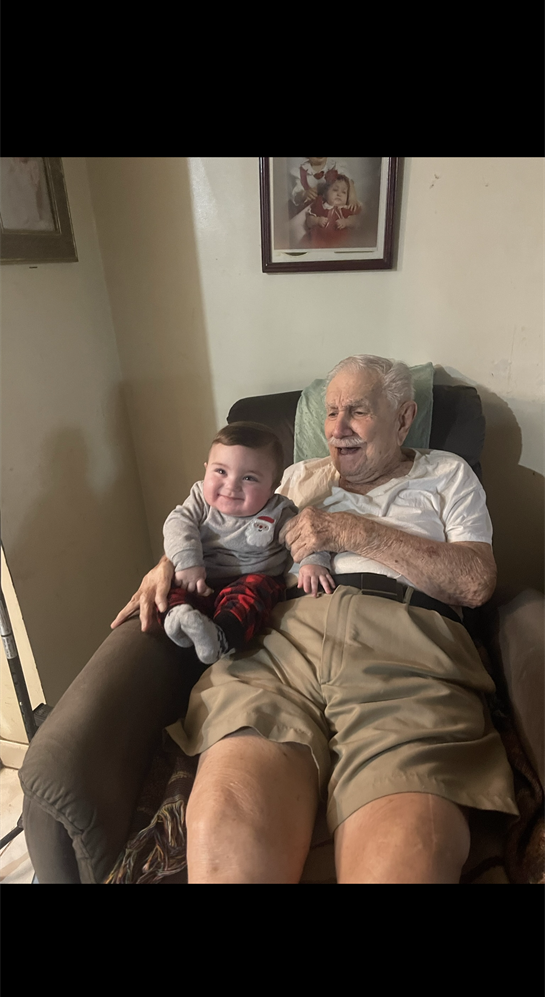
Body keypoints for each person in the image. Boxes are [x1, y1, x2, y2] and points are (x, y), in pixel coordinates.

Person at [112, 355, 518, 884]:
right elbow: (227, 530)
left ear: (403, 418)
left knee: (401, 855)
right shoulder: (299, 477)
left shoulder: (447, 474)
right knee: (226, 821)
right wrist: (167, 565)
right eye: (330, 412)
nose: (337, 429)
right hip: (280, 647)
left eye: (357, 411)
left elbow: (476, 582)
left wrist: (355, 532)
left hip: (409, 654)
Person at [159, 421, 334, 664]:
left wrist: (313, 563)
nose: (231, 485)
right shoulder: (200, 499)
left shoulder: (278, 511)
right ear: (206, 469)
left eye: (249, 478)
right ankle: (180, 619)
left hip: (250, 580)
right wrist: (187, 563)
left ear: (273, 487)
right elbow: (177, 523)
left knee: (255, 592)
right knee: (168, 589)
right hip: (201, 580)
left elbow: (305, 536)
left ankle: (220, 637)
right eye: (220, 471)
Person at [305, 174, 362, 248]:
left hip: (340, 244)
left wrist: (346, 222)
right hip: (318, 242)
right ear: (325, 194)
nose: (339, 194)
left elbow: (356, 221)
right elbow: (309, 221)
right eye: (335, 190)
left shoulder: (345, 208)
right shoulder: (320, 205)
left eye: (344, 192)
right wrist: (317, 220)